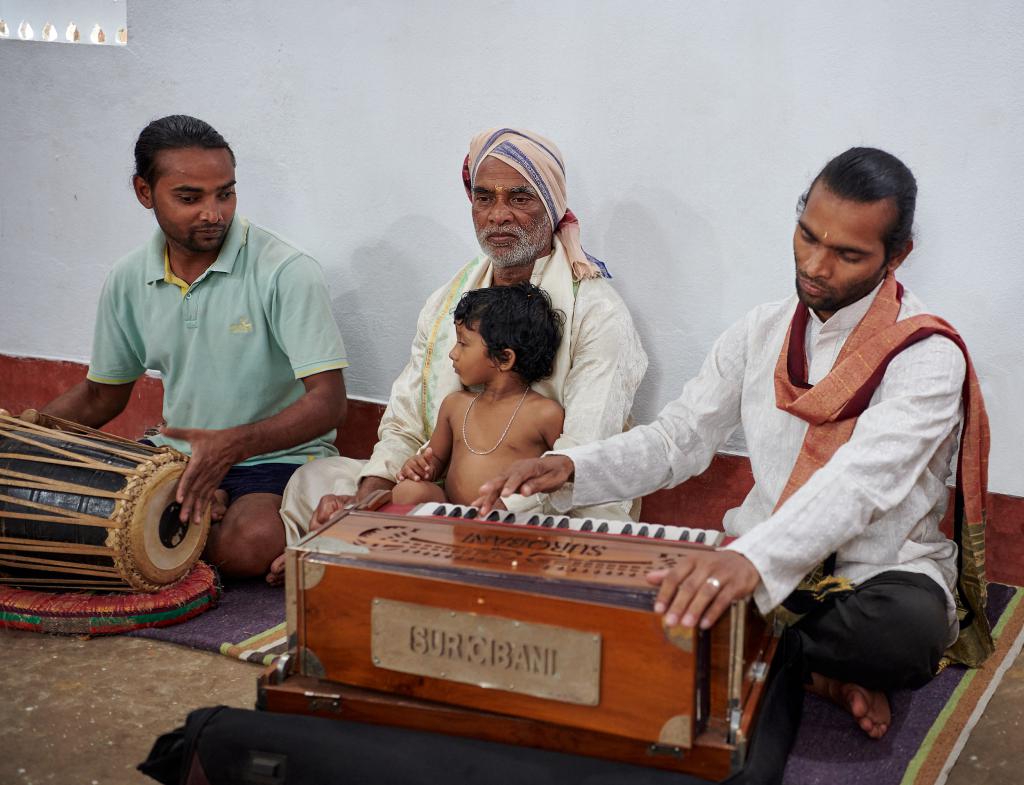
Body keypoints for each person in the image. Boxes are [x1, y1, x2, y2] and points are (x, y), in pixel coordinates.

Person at [475, 147, 994, 746]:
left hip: (876, 574)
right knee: (684, 588)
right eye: (807, 237)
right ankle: (809, 670)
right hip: (754, 553)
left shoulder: (928, 356)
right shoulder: (761, 329)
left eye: (848, 254)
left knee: (903, 634)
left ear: (896, 256)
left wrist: (751, 564)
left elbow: (860, 481)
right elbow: (680, 439)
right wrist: (570, 468)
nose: (816, 266)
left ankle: (751, 645)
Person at [278, 127, 648, 574]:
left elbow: (584, 453)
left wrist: (490, 508)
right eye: (484, 198)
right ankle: (358, 555)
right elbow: (405, 425)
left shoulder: (597, 311)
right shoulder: (446, 302)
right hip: (442, 497)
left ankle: (364, 560)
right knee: (312, 483)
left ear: (551, 206)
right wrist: (367, 496)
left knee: (576, 538)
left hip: (544, 508)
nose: (498, 216)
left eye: (520, 198)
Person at [42, 115, 348, 583]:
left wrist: (230, 448)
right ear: (145, 192)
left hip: (276, 460)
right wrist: (29, 434)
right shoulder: (127, 278)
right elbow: (102, 395)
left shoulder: (286, 270)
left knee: (253, 542)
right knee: (66, 510)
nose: (214, 212)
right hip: (175, 459)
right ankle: (181, 523)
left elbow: (328, 403)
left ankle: (171, 530)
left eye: (225, 193)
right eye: (190, 197)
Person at [393, 283, 565, 507]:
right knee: (407, 491)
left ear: (504, 358)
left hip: (504, 518)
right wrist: (420, 468)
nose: (452, 353)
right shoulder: (455, 405)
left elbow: (561, 472)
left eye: (463, 343)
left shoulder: (543, 414)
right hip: (453, 513)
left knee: (501, 507)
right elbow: (434, 460)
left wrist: (516, 502)